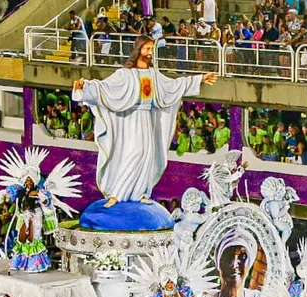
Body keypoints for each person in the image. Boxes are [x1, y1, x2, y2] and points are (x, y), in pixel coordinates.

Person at [72, 36, 218, 207]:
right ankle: (117, 194)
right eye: (147, 48)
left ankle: (140, 191)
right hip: (129, 120)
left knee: (148, 155)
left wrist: (199, 79)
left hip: (147, 120)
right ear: (138, 49)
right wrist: (85, 87)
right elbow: (104, 88)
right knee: (134, 153)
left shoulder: (153, 74)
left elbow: (174, 86)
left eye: (151, 49)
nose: (150, 53)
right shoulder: (124, 74)